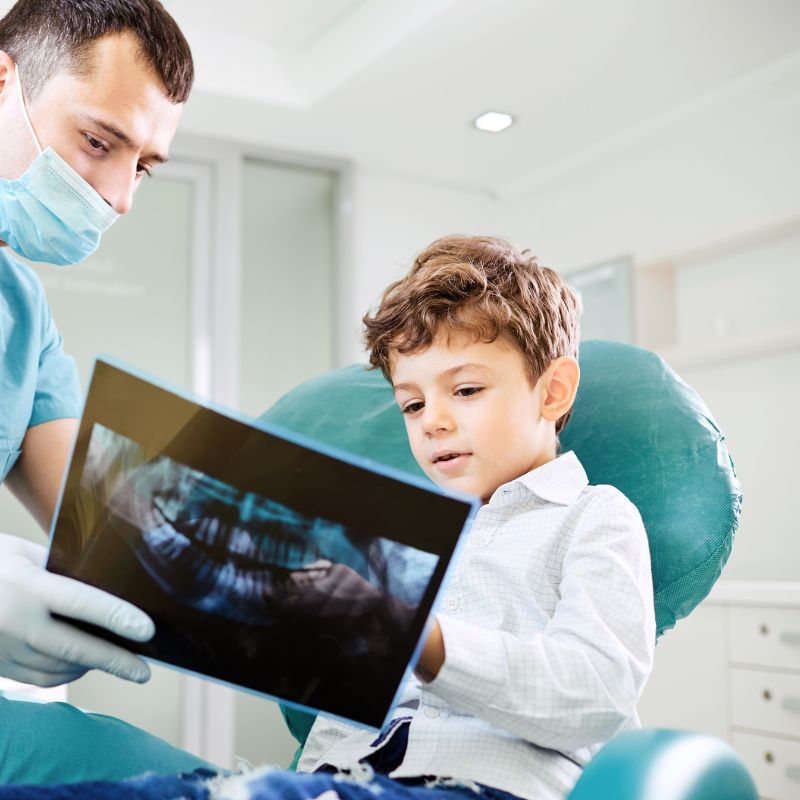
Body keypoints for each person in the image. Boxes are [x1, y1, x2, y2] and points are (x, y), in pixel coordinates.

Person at [0, 235, 655, 798]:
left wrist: (414, 638)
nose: (436, 422)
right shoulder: (399, 536)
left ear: (554, 389)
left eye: (465, 390)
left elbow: (595, 694)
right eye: (412, 405)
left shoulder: (592, 518)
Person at [0, 0, 191, 690]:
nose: (120, 198)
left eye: (142, 167)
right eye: (100, 143)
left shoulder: (21, 316)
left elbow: (113, 533)